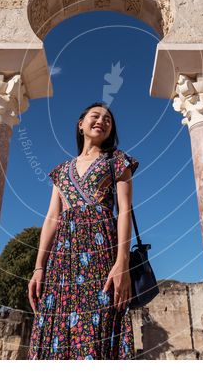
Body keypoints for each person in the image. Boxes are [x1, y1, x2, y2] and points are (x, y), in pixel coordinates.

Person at [27, 101, 139, 360]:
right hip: (62, 259)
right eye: (95, 115)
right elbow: (52, 217)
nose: (102, 120)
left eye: (108, 119)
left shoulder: (117, 161)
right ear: (81, 124)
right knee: (57, 323)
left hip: (101, 252)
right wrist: (38, 267)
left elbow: (124, 211)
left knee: (100, 322)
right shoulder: (61, 171)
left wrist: (122, 262)